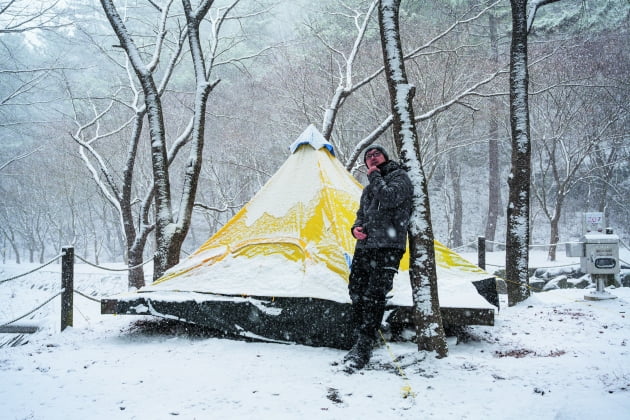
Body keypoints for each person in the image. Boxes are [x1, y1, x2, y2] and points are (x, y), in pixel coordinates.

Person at [343, 144, 413, 371]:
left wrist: (374, 176)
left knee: (375, 294)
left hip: (388, 246)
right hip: (365, 246)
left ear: (385, 157)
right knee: (356, 289)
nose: (372, 158)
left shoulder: (399, 177)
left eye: (376, 154)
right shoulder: (369, 189)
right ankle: (363, 334)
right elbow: (360, 215)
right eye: (368, 157)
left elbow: (390, 198)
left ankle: (364, 346)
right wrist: (356, 229)